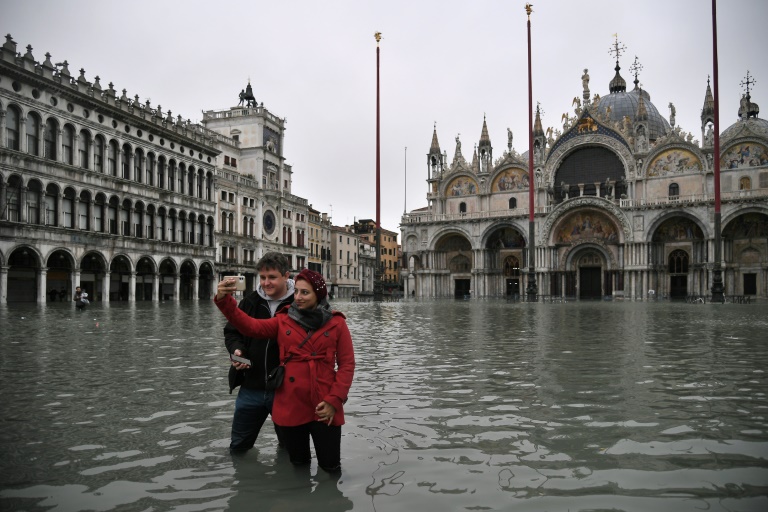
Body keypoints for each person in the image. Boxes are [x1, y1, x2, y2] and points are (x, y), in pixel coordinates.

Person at [215, 269, 355, 472]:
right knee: (298, 465)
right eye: (296, 291)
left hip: (324, 404)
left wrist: (335, 400)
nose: (297, 297)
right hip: (291, 403)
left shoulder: (337, 323)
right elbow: (250, 327)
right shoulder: (283, 320)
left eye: (305, 293)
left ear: (318, 294)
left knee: (331, 467)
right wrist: (224, 300)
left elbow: (347, 365)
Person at [225, 252, 295, 454]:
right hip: (250, 386)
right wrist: (237, 352)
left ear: (286, 276)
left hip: (285, 390)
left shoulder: (299, 304)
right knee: (238, 447)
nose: (266, 283)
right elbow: (232, 333)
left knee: (290, 448)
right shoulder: (249, 302)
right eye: (263, 278)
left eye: (272, 277)